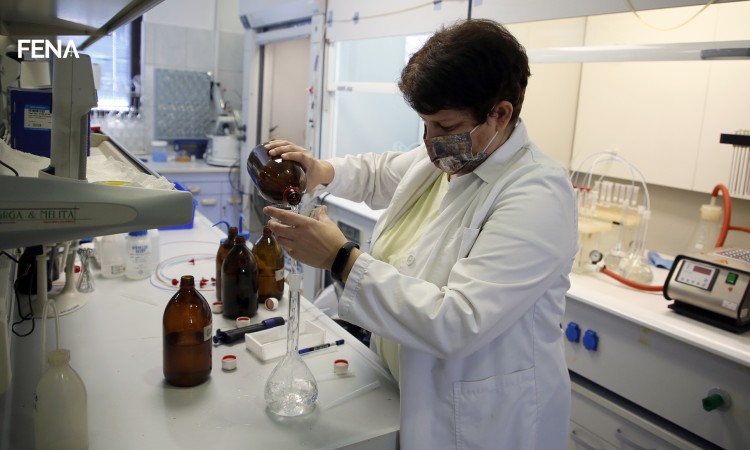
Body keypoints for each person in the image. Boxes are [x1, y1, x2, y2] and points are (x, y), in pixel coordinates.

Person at [263, 18, 577, 450]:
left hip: (482, 424)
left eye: (444, 126)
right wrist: (321, 171)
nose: (430, 141)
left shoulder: (537, 192)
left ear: (500, 114)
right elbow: (378, 173)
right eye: (424, 124)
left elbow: (458, 322)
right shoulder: (449, 160)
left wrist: (341, 258)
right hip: (401, 390)